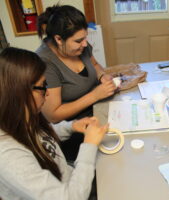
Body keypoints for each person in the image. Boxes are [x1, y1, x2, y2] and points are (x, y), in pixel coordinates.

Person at [0, 47, 108, 199]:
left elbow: (42, 138)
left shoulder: (20, 118)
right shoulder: (9, 157)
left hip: (70, 179)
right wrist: (89, 145)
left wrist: (71, 127)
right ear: (21, 91)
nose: (48, 92)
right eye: (43, 86)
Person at [36, 5, 116, 161]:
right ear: (59, 39)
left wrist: (102, 77)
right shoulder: (44, 62)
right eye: (79, 40)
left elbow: (95, 65)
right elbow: (53, 115)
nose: (85, 44)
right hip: (71, 131)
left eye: (85, 38)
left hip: (97, 112)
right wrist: (95, 95)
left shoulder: (81, 47)